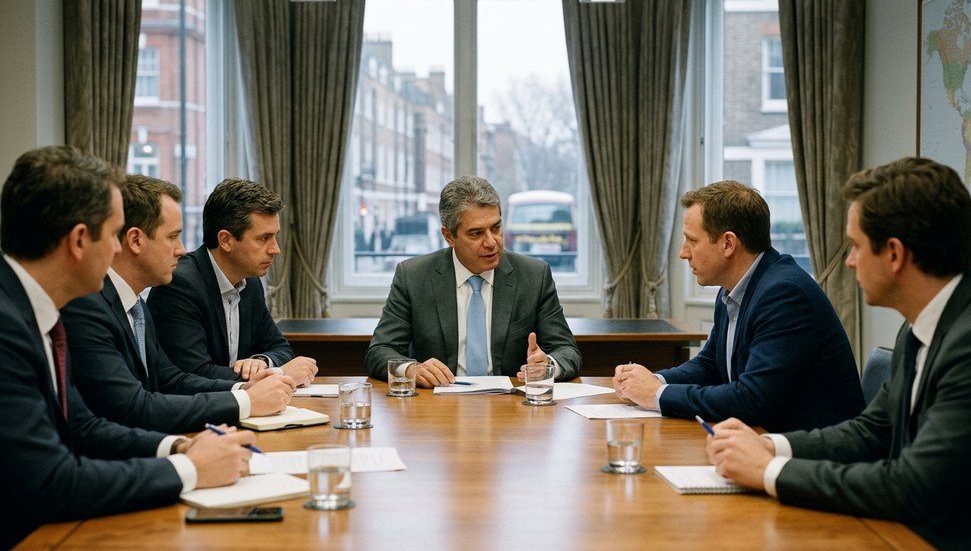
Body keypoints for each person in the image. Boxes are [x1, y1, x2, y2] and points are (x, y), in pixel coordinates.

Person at [705, 158, 971, 549]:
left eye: (856, 246)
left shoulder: (965, 344)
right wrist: (770, 446)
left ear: (894, 254)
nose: (848, 261)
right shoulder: (919, 326)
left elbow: (914, 486)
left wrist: (770, 471)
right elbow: (871, 432)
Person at [0, 146, 255, 548]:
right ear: (79, 240)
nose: (118, 250)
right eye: (112, 235)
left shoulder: (31, 308)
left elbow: (83, 426)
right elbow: (49, 482)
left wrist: (179, 445)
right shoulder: (8, 326)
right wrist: (189, 469)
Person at [613, 180, 864, 432]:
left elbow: (752, 399)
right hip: (761, 437)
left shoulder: (784, 294)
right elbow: (710, 366)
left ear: (728, 243)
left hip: (808, 448)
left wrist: (657, 394)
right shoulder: (733, 288)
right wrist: (652, 381)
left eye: (692, 240)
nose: (683, 253)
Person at [61, 175, 296, 433]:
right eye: (173, 237)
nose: (182, 250)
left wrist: (244, 388)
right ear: (136, 240)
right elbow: (133, 407)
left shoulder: (135, 304)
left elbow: (170, 380)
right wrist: (246, 402)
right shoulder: (87, 306)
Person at [364, 176, 581, 387]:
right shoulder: (413, 277)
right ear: (449, 236)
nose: (491, 242)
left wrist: (547, 365)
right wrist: (412, 370)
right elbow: (379, 351)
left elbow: (567, 351)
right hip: (439, 403)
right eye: (476, 234)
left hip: (510, 403)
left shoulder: (534, 276)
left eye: (495, 228)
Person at [147, 178, 317, 384]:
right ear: (226, 240)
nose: (276, 249)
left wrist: (262, 361)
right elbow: (193, 374)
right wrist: (278, 374)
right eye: (264, 238)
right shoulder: (179, 285)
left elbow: (280, 347)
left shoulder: (250, 282)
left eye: (275, 237)